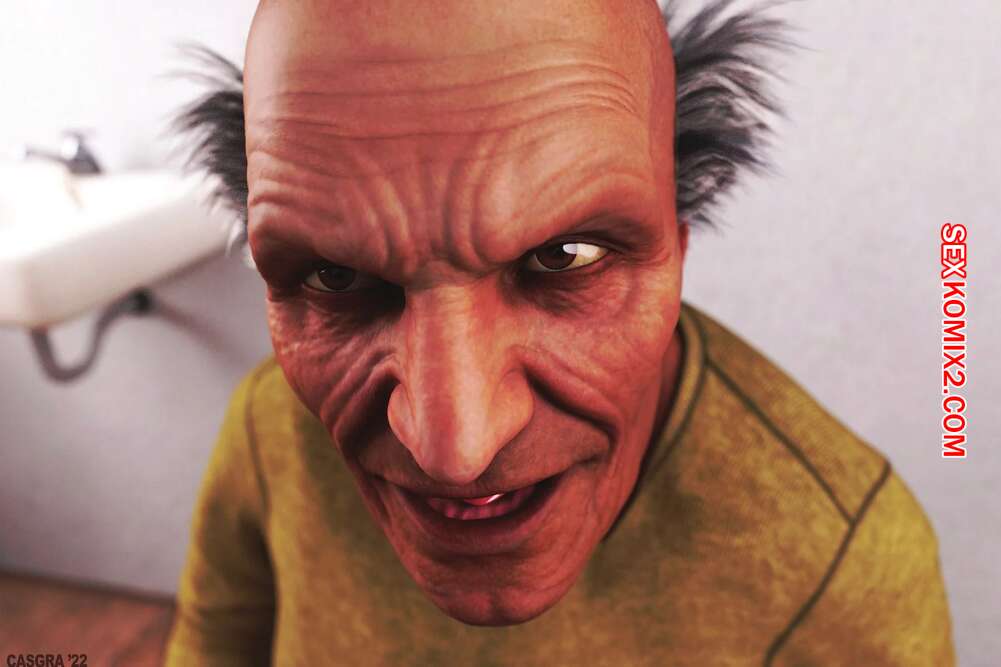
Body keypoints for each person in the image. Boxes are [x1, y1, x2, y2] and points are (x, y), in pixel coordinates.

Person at [165, 1, 955, 664]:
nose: (454, 449)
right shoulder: (270, 427)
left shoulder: (839, 566)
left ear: (676, 253)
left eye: (563, 257)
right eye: (335, 277)